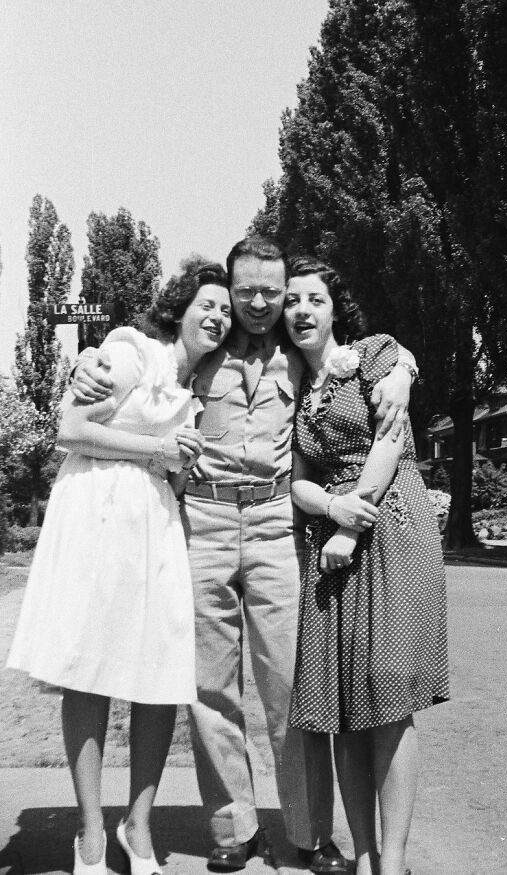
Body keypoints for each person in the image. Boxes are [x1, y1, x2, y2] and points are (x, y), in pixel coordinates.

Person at [70, 236, 417, 874]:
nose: (259, 303)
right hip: (199, 519)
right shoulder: (200, 345)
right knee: (209, 687)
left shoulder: (302, 352)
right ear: (228, 291)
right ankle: (233, 826)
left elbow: (375, 355)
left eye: (272, 292)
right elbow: (137, 361)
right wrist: (89, 359)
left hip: (274, 520)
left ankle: (311, 834)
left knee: (290, 684)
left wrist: (403, 367)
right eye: (246, 291)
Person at [7, 265, 232, 875]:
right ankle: (90, 834)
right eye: (206, 304)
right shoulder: (132, 354)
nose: (217, 316)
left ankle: (139, 827)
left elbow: (176, 474)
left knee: (158, 669)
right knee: (91, 669)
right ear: (179, 309)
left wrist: (179, 461)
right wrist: (156, 450)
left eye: (225, 310)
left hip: (153, 522)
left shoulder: (198, 389)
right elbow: (70, 430)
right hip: (98, 512)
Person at [283, 256, 449, 875]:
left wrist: (350, 529)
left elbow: (390, 441)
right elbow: (299, 482)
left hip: (390, 525)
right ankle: (364, 855)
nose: (302, 310)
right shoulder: (299, 391)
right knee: (343, 708)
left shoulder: (377, 355)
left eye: (315, 299)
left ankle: (394, 862)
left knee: (388, 702)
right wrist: (330, 506)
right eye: (292, 300)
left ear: (334, 309)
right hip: (331, 534)